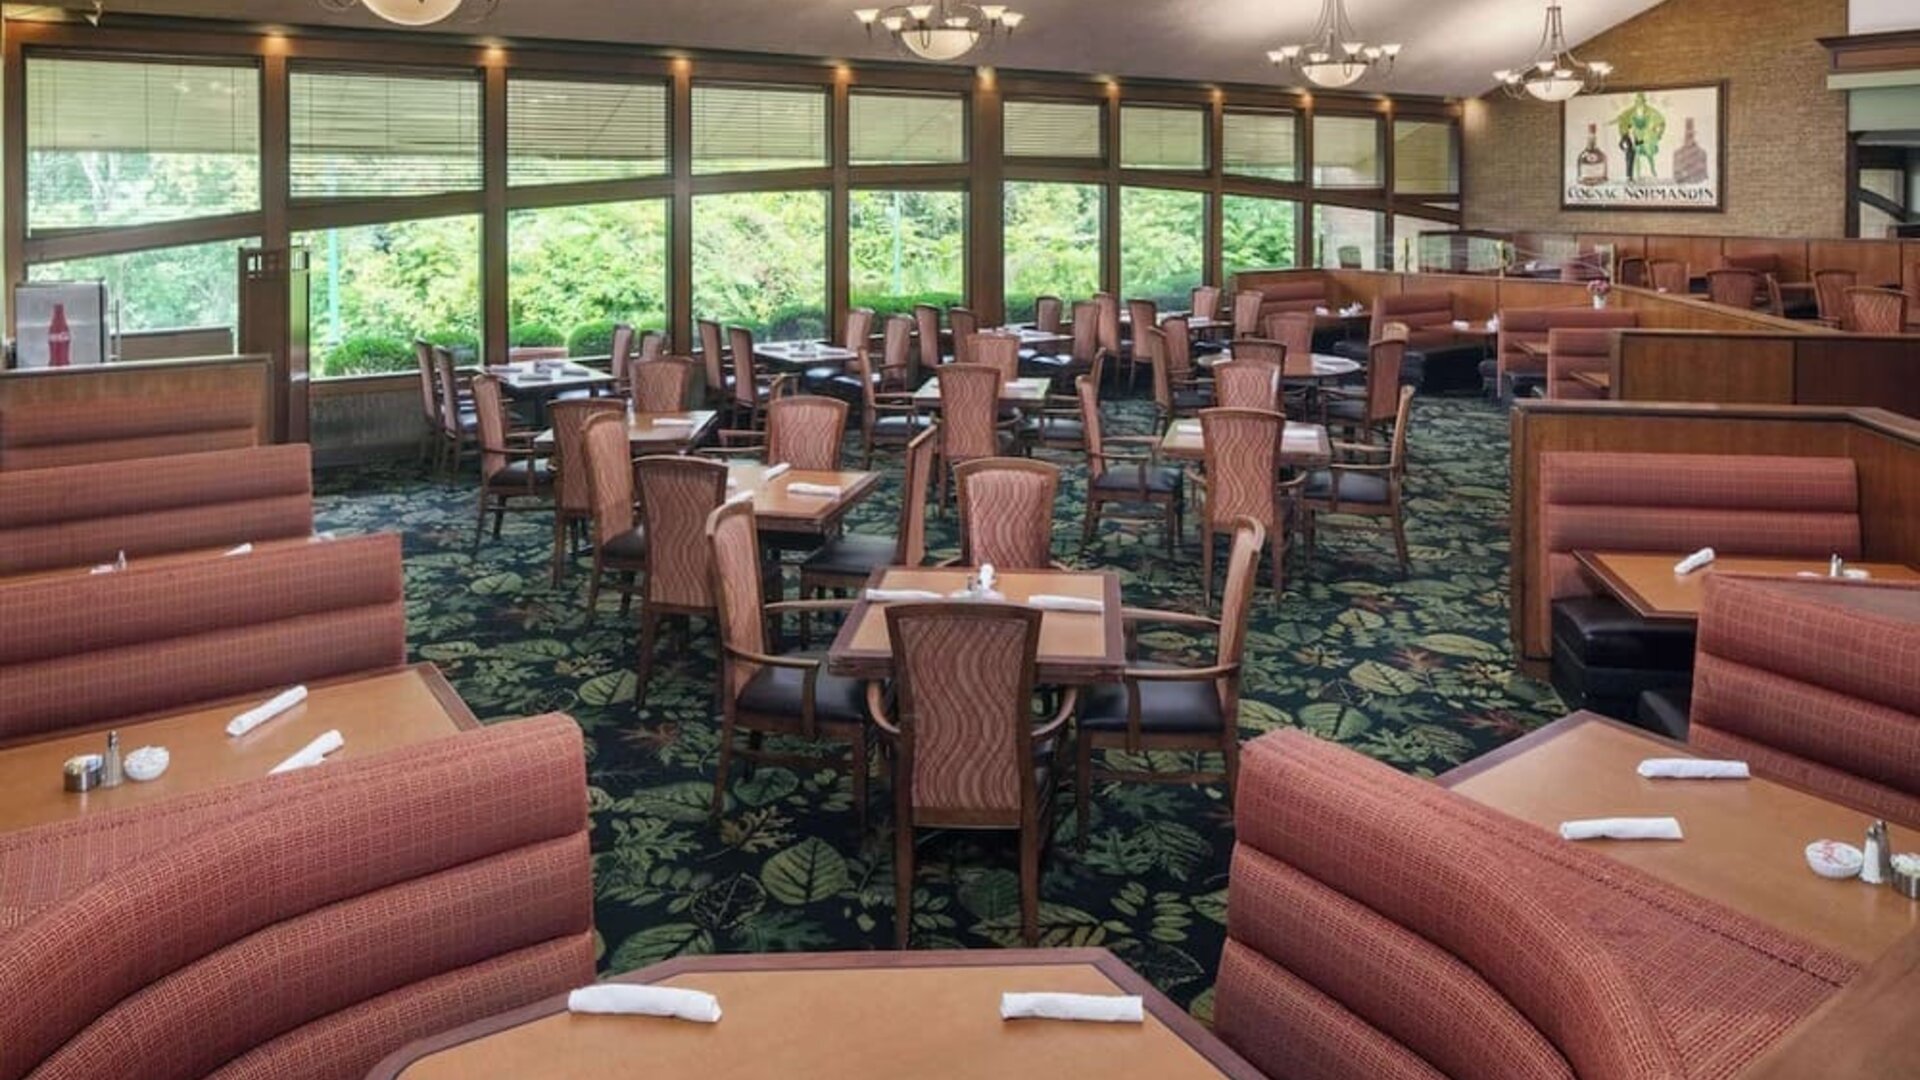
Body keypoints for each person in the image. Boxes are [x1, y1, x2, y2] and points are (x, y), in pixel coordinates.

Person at [1613, 92, 1665, 182]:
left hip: (1646, 138)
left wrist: (1659, 134)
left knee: (1649, 155)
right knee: (1636, 155)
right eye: (1637, 101)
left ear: (1644, 101)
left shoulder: (1651, 111)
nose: (1639, 103)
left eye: (1641, 101)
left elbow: (1661, 122)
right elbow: (1621, 118)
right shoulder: (1631, 112)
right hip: (1637, 139)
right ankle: (1638, 175)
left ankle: (1653, 171)